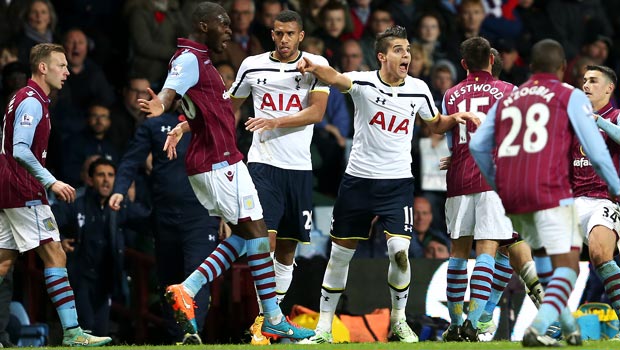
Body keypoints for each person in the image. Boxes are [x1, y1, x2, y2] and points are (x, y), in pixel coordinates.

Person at [130, 2, 315, 342]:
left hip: (224, 160)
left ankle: (193, 287)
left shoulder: (199, 61)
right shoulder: (187, 59)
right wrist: (160, 105)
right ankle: (268, 315)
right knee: (257, 233)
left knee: (251, 236)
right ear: (202, 25)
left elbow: (208, 109)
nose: (230, 30)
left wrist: (183, 126)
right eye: (223, 23)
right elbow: (170, 93)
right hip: (216, 163)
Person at [295, 25, 477, 344]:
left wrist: (457, 117)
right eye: (398, 49)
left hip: (397, 186)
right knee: (339, 256)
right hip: (358, 183)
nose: (406, 54)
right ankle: (323, 327)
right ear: (382, 56)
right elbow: (336, 77)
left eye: (407, 49)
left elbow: (435, 124)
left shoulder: (419, 89)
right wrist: (313, 65)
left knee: (400, 251)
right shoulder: (363, 82)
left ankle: (398, 320)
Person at [470, 38, 620, 347]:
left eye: (594, 80)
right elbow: (597, 152)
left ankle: (565, 328)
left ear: (530, 66)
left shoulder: (511, 95)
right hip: (551, 193)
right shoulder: (567, 96)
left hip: (512, 193)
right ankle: (539, 327)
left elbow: (476, 145)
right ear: (562, 68)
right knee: (564, 270)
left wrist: (497, 182)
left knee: (541, 265)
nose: (586, 85)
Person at [228, 9, 330, 345]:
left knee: (287, 250)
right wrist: (190, 125)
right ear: (271, 34)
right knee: (263, 243)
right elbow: (229, 107)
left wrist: (275, 121)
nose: (283, 39)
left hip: (299, 170)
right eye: (278, 33)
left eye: (289, 34)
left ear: (300, 36)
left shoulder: (316, 64)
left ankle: (265, 321)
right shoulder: (252, 65)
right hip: (263, 165)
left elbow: (316, 113)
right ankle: (267, 321)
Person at [0, 43, 111, 346]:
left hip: (7, 187)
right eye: (60, 65)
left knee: (3, 263)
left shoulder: (20, 99)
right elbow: (20, 148)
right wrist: (52, 182)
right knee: (55, 254)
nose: (66, 71)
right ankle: (73, 333)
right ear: (42, 67)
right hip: (25, 190)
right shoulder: (32, 101)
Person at [108, 108, 221, 345]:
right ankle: (176, 336)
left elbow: (226, 165)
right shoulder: (155, 125)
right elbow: (132, 159)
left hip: (201, 216)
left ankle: (192, 331)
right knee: (169, 279)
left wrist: (228, 214)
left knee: (196, 274)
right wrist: (119, 189)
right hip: (164, 216)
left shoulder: (211, 121)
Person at [440, 36, 517, 342]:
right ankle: (474, 322)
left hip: (459, 176)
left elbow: (449, 139)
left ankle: (455, 323)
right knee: (488, 249)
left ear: (463, 65)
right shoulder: (508, 91)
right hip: (493, 178)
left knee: (458, 253)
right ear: (491, 61)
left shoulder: (450, 94)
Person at [53, 157, 149, 337]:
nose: (106, 180)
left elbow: (146, 221)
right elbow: (49, 221)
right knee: (86, 326)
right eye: (101, 175)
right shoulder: (76, 200)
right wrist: (60, 239)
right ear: (90, 179)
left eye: (111, 175)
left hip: (106, 281)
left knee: (101, 332)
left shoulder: (120, 204)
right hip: (79, 277)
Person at [575, 65, 620, 327]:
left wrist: (599, 121)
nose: (586, 85)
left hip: (605, 199)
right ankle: (555, 325)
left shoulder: (614, 116)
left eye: (593, 81)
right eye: (584, 80)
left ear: (609, 88)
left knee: (600, 253)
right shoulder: (574, 121)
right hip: (572, 201)